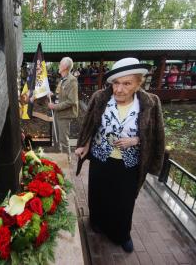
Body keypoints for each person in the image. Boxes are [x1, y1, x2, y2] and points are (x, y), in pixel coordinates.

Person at [75, 57, 165, 253]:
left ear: (137, 84)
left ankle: (121, 234)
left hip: (128, 163)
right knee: (98, 194)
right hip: (101, 157)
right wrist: (84, 146)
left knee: (123, 201)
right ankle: (97, 222)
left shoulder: (149, 102)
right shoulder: (100, 98)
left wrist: (136, 140)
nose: (119, 89)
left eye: (126, 83)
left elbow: (155, 134)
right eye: (116, 83)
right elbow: (91, 126)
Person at [47, 57, 78, 160]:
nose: (59, 66)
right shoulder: (62, 80)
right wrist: (52, 95)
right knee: (56, 138)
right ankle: (59, 158)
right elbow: (60, 95)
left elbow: (71, 101)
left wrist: (54, 106)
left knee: (63, 140)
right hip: (58, 113)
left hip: (64, 115)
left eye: (60, 64)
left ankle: (66, 161)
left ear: (64, 67)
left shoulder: (72, 80)